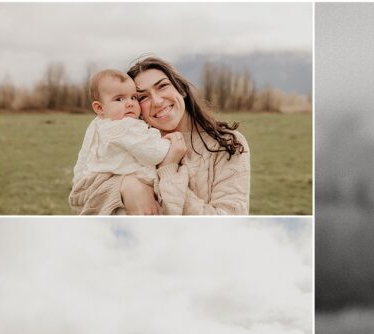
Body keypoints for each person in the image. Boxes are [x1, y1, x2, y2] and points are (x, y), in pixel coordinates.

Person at [71, 57, 249, 215]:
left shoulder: (226, 143)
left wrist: (168, 171)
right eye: (142, 97)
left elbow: (228, 223)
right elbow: (78, 199)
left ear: (181, 88)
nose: (157, 101)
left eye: (162, 86)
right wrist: (127, 186)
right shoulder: (129, 139)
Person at [72, 69, 174, 199]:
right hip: (135, 191)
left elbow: (83, 157)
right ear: (100, 108)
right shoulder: (126, 127)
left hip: (107, 191)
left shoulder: (96, 125)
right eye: (119, 99)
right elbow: (154, 154)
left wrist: (79, 181)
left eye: (134, 97)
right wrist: (168, 142)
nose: (130, 103)